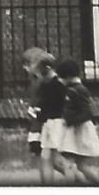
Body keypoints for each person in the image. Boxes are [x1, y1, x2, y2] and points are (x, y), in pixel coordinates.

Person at [55, 59, 99, 184]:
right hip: (74, 130)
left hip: (77, 131)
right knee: (80, 166)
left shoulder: (78, 90)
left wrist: (69, 120)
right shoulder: (73, 89)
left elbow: (87, 112)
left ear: (67, 76)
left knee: (69, 165)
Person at [22, 48, 62, 184]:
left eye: (28, 64)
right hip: (38, 124)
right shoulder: (38, 82)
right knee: (44, 158)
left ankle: (77, 177)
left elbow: (40, 103)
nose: (26, 68)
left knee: (50, 159)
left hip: (42, 124)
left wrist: (33, 111)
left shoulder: (43, 83)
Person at [34, 52, 67, 185]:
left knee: (54, 158)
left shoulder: (57, 85)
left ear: (46, 68)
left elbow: (57, 105)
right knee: (46, 156)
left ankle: (77, 178)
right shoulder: (47, 84)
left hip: (56, 123)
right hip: (49, 123)